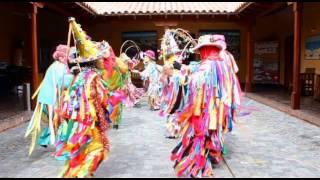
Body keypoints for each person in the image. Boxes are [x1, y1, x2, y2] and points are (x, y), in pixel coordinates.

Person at [162, 34, 242, 177]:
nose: (200, 54)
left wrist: (173, 75)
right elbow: (197, 70)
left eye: (201, 50)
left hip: (205, 110)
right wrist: (180, 67)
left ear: (205, 49)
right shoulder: (220, 62)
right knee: (211, 135)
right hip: (216, 109)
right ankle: (212, 156)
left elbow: (195, 81)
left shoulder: (209, 64)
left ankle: (198, 168)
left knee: (199, 136)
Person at [52, 17, 123, 178]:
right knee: (97, 149)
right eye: (99, 59)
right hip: (89, 122)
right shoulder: (93, 77)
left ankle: (81, 173)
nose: (102, 61)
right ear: (93, 61)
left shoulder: (79, 76)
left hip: (78, 122)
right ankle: (83, 173)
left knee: (81, 149)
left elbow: (70, 100)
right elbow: (101, 99)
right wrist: (113, 98)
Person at [25, 44, 69, 155]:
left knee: (56, 121)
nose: (67, 58)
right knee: (59, 121)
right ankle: (60, 146)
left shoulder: (57, 66)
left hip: (52, 99)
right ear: (60, 57)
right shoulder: (58, 67)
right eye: (65, 56)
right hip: (53, 99)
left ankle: (44, 139)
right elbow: (61, 83)